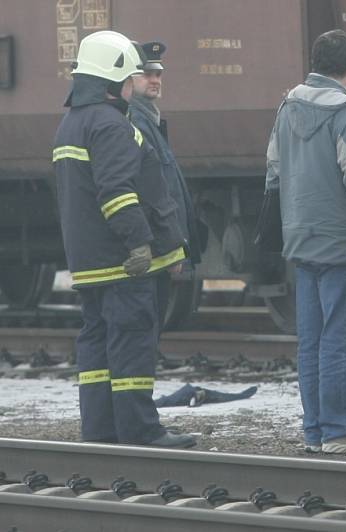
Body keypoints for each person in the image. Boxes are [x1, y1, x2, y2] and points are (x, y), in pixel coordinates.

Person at [52, 30, 195, 448]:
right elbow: (118, 193)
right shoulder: (111, 125)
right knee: (132, 342)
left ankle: (100, 429)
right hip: (123, 262)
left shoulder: (71, 123)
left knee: (96, 346)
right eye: (132, 77)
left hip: (90, 262)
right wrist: (140, 244)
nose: (137, 84)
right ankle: (140, 430)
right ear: (115, 79)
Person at [262, 29, 346, 454]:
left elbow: (273, 173)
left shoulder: (286, 108)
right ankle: (339, 430)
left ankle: (315, 429)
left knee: (311, 340)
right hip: (340, 242)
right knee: (342, 338)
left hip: (299, 239)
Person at [129, 40, 204, 329]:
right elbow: (152, 192)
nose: (155, 80)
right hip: (154, 255)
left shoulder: (149, 121)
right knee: (142, 335)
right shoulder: (137, 121)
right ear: (129, 78)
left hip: (158, 254)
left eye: (158, 74)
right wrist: (170, 246)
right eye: (147, 74)